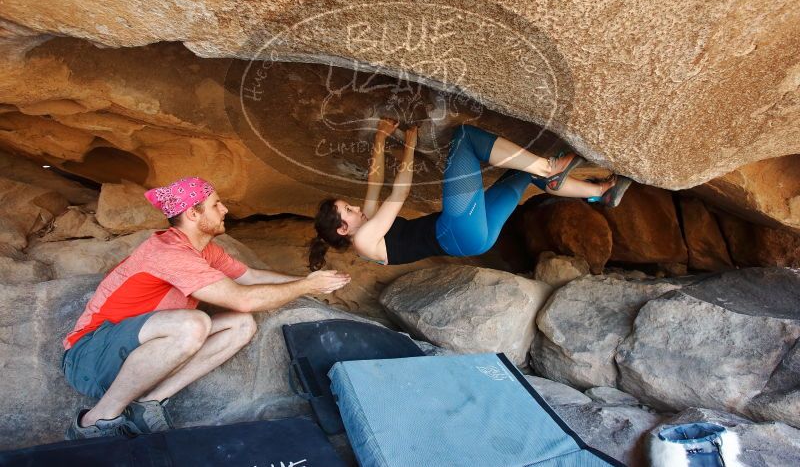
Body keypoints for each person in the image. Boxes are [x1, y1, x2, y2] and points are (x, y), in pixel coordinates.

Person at [62, 177, 350, 439]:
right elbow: (243, 297)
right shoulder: (170, 252)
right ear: (192, 213)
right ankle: (97, 421)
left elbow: (248, 277)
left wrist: (309, 281)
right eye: (216, 204)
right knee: (194, 324)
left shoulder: (203, 249)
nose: (224, 209)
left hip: (136, 353)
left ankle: (148, 405)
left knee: (242, 324)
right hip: (89, 356)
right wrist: (305, 288)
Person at [310, 118, 631, 268]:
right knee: (464, 137)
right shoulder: (365, 241)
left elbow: (375, 183)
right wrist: (409, 144)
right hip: (458, 228)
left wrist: (381, 139)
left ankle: (600, 192)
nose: (355, 208)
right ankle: (550, 168)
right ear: (342, 228)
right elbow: (399, 192)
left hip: (474, 236)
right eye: (348, 210)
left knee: (522, 172)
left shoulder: (365, 227)